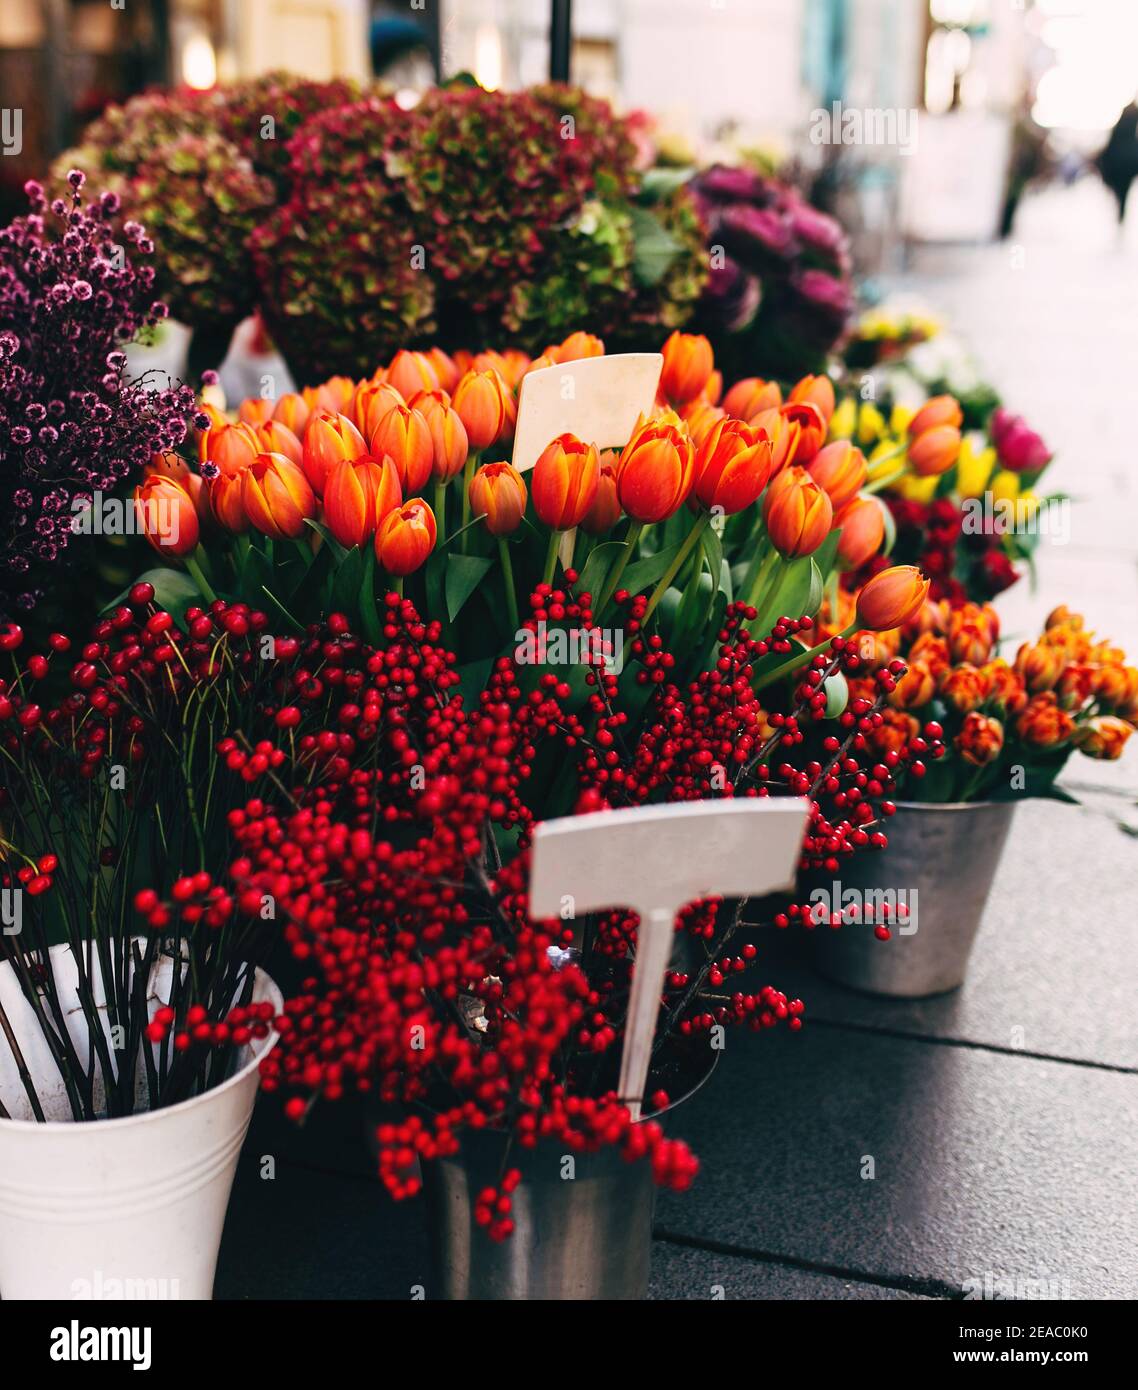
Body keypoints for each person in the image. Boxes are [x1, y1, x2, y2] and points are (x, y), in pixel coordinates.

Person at [1097, 99, 1138, 226]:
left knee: (1120, 191)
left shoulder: (1120, 126)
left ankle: (1120, 212)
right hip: (1129, 162)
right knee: (1123, 191)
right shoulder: (1133, 120)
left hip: (1119, 163)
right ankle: (1121, 212)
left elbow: (1110, 145)